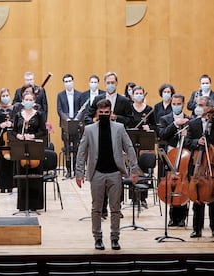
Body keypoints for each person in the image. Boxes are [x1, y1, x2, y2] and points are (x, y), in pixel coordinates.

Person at [75, 99, 140, 250]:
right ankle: (97, 238)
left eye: (107, 112)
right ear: (97, 113)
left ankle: (115, 238)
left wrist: (134, 170)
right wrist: (79, 173)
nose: (104, 114)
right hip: (97, 172)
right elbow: (81, 152)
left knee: (115, 208)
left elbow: (129, 148)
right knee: (96, 208)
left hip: (115, 173)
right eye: (101, 112)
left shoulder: (119, 127)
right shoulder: (89, 129)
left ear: (111, 113)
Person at [84, 72, 134, 218]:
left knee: (116, 174)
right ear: (104, 83)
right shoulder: (99, 98)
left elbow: (130, 119)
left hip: (117, 142)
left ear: (117, 83)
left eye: (113, 82)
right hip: (100, 140)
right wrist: (95, 120)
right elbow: (88, 116)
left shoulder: (124, 101)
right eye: (108, 82)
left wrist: (116, 117)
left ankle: (116, 208)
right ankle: (103, 208)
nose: (110, 84)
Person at [184, 96, 214, 239]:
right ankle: (196, 229)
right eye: (197, 105)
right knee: (197, 198)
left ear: (209, 108)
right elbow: (187, 142)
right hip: (198, 167)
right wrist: (196, 141)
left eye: (201, 105)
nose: (197, 107)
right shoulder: (193, 124)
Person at [158, 94, 190, 227]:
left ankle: (182, 216)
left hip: (184, 157)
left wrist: (187, 135)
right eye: (174, 104)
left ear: (183, 104)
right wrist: (175, 124)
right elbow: (162, 134)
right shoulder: (165, 119)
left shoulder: (190, 119)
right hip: (170, 156)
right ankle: (172, 217)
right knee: (171, 185)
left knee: (183, 185)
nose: (176, 106)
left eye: (179, 104)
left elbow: (193, 137)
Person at [12, 87, 47, 211]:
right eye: (26, 99)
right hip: (21, 149)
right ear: (22, 101)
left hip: (35, 149)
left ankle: (34, 205)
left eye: (30, 99)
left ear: (34, 101)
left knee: (35, 176)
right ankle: (23, 205)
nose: (28, 101)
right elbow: (13, 131)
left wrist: (32, 135)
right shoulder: (17, 115)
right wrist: (18, 136)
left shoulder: (39, 115)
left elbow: (43, 132)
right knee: (22, 177)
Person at [129, 85, 156, 208]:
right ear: (132, 96)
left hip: (144, 145)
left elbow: (155, 127)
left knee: (144, 170)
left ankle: (143, 198)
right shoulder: (129, 109)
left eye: (141, 93)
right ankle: (133, 198)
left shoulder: (149, 109)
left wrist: (149, 128)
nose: (139, 95)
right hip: (131, 145)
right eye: (136, 93)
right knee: (133, 169)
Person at [57, 74, 83, 178]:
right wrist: (66, 118)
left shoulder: (79, 94)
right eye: (66, 81)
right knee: (67, 148)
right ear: (64, 83)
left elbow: (82, 109)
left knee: (77, 148)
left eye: (70, 81)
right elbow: (59, 110)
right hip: (65, 125)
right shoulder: (60, 95)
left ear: (73, 81)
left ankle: (76, 170)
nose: (68, 83)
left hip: (76, 125)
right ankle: (68, 171)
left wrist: (77, 118)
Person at [0, 88, 14, 193]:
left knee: (10, 161)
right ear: (0, 97)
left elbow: (16, 121)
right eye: (3, 96)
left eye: (6, 95)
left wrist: (11, 124)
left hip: (9, 137)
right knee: (0, 161)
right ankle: (1, 185)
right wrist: (0, 125)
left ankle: (10, 185)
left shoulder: (13, 108)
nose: (5, 97)